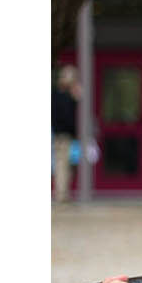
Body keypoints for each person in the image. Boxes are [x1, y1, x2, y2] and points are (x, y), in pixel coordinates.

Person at [52, 66, 81, 203]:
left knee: (65, 164)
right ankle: (61, 195)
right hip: (64, 135)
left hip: (61, 134)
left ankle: (63, 193)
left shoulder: (57, 95)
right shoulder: (64, 96)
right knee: (62, 165)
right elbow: (68, 117)